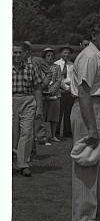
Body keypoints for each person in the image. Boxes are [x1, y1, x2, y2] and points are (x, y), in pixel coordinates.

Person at [70, 20, 100, 221]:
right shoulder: (89, 56)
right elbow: (84, 92)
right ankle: (84, 218)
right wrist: (91, 127)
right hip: (89, 109)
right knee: (87, 164)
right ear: (94, 35)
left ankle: (94, 215)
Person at [12, 43, 43, 177]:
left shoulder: (32, 68)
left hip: (28, 101)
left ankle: (23, 164)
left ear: (24, 53)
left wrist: (39, 107)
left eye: (20, 52)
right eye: (15, 52)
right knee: (12, 134)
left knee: (27, 132)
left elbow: (37, 88)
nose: (18, 55)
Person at [39, 47, 62, 145]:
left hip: (54, 95)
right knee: (41, 116)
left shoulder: (57, 67)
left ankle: (53, 136)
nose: (50, 57)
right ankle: (40, 136)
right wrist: (44, 89)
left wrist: (52, 90)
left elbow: (59, 80)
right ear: (44, 57)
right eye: (48, 56)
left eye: (52, 56)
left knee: (54, 117)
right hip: (42, 94)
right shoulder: (39, 67)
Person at [54, 45, 74, 139]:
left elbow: (74, 78)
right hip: (60, 90)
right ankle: (56, 132)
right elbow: (58, 79)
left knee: (68, 113)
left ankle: (67, 132)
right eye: (65, 52)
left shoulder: (72, 65)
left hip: (70, 91)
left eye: (68, 53)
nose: (67, 54)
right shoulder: (56, 64)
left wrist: (70, 87)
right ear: (61, 53)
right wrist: (66, 87)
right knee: (58, 113)